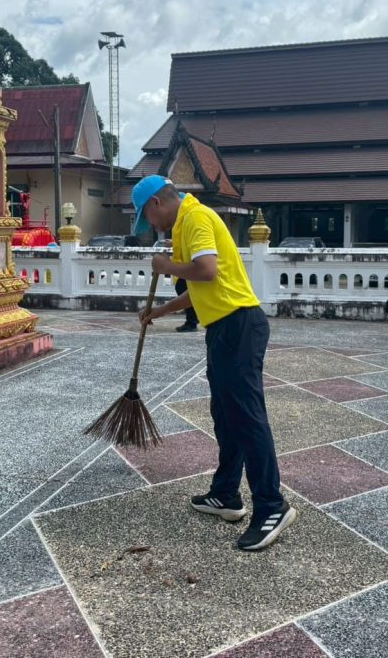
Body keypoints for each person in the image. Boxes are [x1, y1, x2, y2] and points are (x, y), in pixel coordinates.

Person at [133, 175, 297, 551]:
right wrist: (159, 311)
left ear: (156, 203)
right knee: (226, 415)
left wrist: (166, 266)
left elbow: (207, 270)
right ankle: (226, 494)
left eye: (147, 217)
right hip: (225, 328)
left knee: (247, 417)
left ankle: (272, 506)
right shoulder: (187, 224)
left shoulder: (196, 218)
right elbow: (200, 289)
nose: (151, 226)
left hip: (239, 325)